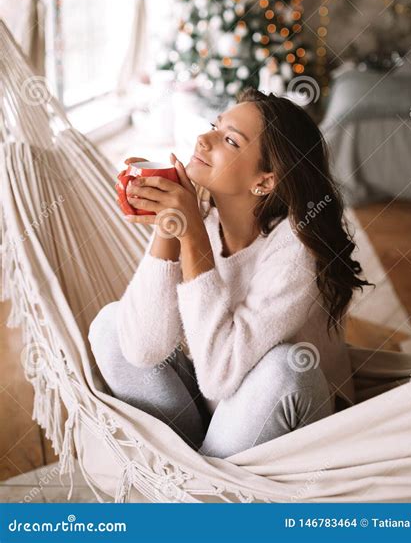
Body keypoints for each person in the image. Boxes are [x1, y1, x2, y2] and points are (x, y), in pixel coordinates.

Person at [88, 87, 372, 459]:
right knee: (112, 324)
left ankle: (199, 489)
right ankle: (194, 476)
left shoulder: (296, 249)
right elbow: (144, 351)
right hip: (219, 417)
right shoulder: (201, 218)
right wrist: (168, 226)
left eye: (229, 140)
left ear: (265, 181)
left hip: (286, 413)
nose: (203, 140)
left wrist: (190, 237)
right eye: (213, 126)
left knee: (285, 367)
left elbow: (221, 377)